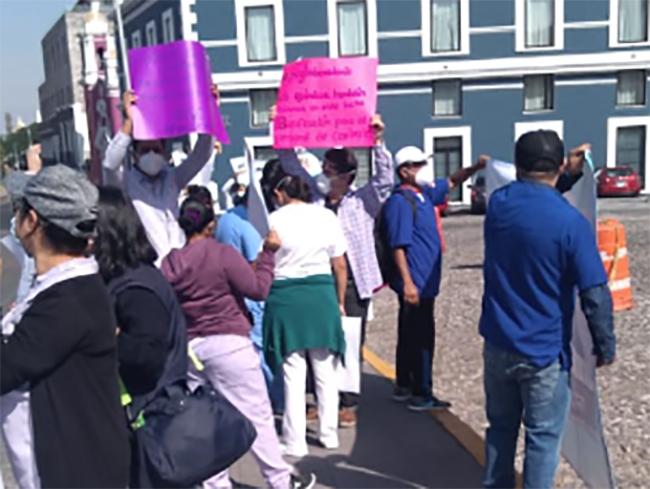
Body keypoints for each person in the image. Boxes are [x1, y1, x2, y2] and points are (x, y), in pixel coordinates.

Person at [480, 130, 615, 489]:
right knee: (541, 439)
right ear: (557, 165)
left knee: (501, 430)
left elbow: (535, 189)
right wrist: (604, 344)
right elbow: (595, 292)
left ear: (518, 165)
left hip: (497, 342)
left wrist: (563, 170)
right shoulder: (570, 222)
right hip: (544, 351)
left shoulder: (498, 205)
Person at [161, 196, 315, 489]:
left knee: (203, 423)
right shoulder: (222, 254)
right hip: (229, 344)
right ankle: (280, 481)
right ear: (211, 224)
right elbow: (257, 289)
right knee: (257, 416)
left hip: (191, 350)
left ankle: (214, 483)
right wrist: (268, 255)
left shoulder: (171, 262)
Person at [0, 164, 130, 488]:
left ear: (33, 222)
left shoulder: (67, 300)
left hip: (77, 471)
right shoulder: (67, 290)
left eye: (19, 210)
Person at [273, 112, 394, 427]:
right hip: (319, 280)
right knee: (317, 338)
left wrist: (378, 141)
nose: (324, 174)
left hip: (354, 281)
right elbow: (289, 161)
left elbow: (385, 180)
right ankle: (316, 397)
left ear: (347, 175)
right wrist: (283, 125)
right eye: (323, 168)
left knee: (350, 341)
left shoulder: (363, 201)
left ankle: (347, 401)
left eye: (331, 170)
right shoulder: (313, 199)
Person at [94, 186, 189, 487]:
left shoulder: (135, 288)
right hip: (147, 417)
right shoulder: (131, 277)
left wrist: (104, 337)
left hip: (152, 419)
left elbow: (146, 356)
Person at [383, 146, 484, 411]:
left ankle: (404, 384)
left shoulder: (423, 194)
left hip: (424, 283)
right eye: (418, 164)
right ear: (404, 171)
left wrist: (475, 167)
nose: (424, 168)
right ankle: (421, 392)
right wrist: (408, 283)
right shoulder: (401, 202)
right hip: (416, 283)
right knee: (421, 338)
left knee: (409, 333)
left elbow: (451, 181)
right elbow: (398, 246)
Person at [261, 162, 347, 458]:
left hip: (286, 296)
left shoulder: (272, 219)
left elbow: (264, 259)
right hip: (321, 293)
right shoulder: (326, 216)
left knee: (293, 373)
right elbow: (339, 263)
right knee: (326, 369)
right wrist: (340, 300)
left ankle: (294, 439)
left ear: (279, 192)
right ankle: (329, 433)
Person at [102, 87, 219, 264]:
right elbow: (110, 164)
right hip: (147, 266)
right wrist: (128, 123)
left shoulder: (173, 178)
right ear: (134, 155)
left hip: (180, 263)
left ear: (165, 154)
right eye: (145, 150)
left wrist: (210, 113)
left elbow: (201, 155)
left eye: (156, 150)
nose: (151, 155)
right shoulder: (126, 182)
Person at [214, 185, 284, 413]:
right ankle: (276, 401)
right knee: (263, 352)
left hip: (233, 295)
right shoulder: (250, 225)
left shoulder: (227, 218)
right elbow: (258, 262)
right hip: (253, 296)